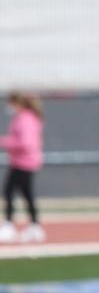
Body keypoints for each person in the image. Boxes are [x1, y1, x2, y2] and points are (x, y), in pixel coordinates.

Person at [1, 92, 46, 244]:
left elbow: (25, 143)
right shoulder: (26, 118)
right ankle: (34, 226)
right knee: (26, 194)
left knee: (9, 191)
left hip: (23, 162)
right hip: (22, 162)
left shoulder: (25, 119)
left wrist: (4, 142)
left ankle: (9, 225)